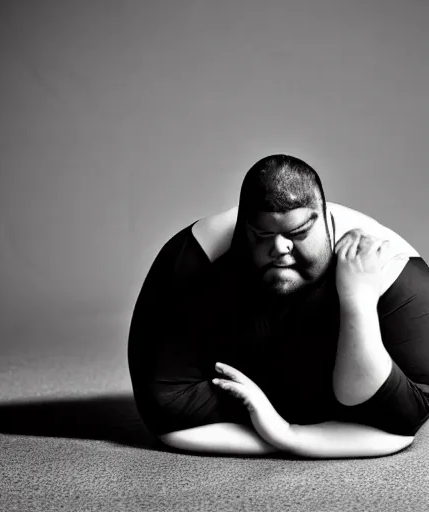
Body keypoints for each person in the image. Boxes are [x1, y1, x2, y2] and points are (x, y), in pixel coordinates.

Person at [128, 154, 429, 459]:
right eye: (262, 235)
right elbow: (165, 412)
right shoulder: (193, 259)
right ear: (241, 228)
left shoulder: (393, 267)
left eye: (298, 234)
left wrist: (358, 301)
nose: (280, 248)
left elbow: (404, 422)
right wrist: (295, 435)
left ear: (324, 220)